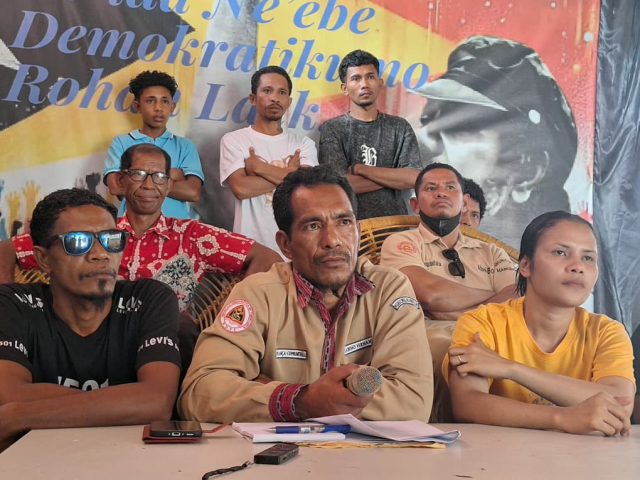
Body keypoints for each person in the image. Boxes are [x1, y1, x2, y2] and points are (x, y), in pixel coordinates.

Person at [179, 166, 433, 423]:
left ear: (357, 231)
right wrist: (300, 401)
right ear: (285, 244)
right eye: (313, 226)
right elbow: (199, 393)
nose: (332, 240)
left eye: (344, 222)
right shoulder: (257, 294)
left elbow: (412, 401)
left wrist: (278, 395)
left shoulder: (389, 289)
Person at [2, 144, 281, 313]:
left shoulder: (193, 236)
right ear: (122, 182)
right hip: (96, 339)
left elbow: (267, 258)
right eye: (138, 174)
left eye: (159, 176)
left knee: (182, 328)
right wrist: (9, 305)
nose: (149, 185)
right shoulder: (94, 231)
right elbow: (6, 250)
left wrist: (232, 312)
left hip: (169, 343)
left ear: (168, 186)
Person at [0, 189, 181, 447]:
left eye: (111, 239)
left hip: (132, 457)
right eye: (78, 242)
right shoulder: (12, 304)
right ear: (43, 258)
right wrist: (125, 403)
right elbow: (8, 395)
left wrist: (19, 415)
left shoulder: (149, 299)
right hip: (41, 457)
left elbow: (157, 402)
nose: (101, 254)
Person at [445, 211, 635, 436]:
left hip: (586, 456)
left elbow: (620, 404)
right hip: (497, 454)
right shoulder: (482, 323)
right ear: (526, 266)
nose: (577, 266)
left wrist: (511, 369)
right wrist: (563, 418)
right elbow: (467, 404)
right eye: (560, 252)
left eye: (588, 258)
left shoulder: (607, 332)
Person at [380, 162, 516, 420]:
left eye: (450, 187)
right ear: (415, 205)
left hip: (490, 332)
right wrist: (490, 298)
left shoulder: (492, 252)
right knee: (455, 350)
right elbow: (431, 294)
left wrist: (456, 308)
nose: (441, 192)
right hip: (431, 334)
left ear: (463, 203)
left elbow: (514, 298)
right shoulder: (401, 242)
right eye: (431, 188)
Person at [413, 36, 577, 247]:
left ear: (528, 170)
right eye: (428, 120)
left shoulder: (545, 262)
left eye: (459, 126)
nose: (425, 139)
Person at [219, 65, 317, 254]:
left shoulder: (304, 144)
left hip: (294, 250)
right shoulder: (234, 140)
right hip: (249, 250)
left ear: (289, 101)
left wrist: (259, 168)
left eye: (282, 92)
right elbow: (241, 188)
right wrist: (292, 174)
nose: (275, 98)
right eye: (267, 91)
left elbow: (308, 188)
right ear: (253, 99)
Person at [318, 49, 422, 220]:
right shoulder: (333, 129)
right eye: (356, 78)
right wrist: (393, 178)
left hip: (396, 226)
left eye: (370, 77)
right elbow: (337, 185)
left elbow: (414, 178)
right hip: (350, 227)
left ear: (380, 83)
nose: (364, 84)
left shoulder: (399, 127)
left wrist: (361, 169)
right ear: (345, 88)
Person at [104, 70, 204, 219]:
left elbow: (193, 192)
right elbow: (116, 187)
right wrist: (171, 175)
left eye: (165, 101)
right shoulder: (121, 143)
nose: (159, 108)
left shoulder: (185, 146)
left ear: (172, 107)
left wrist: (137, 177)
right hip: (133, 226)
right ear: (137, 106)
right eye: (150, 101)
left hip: (176, 227)